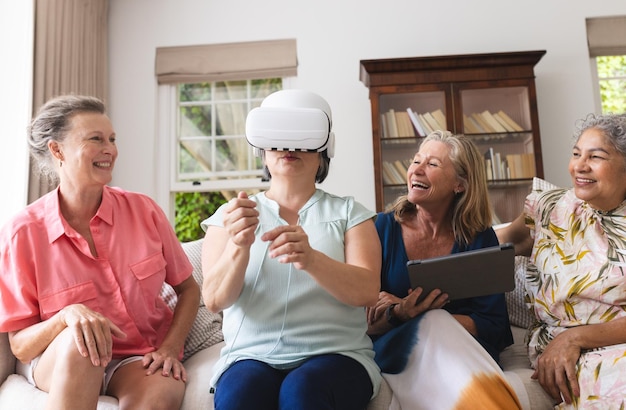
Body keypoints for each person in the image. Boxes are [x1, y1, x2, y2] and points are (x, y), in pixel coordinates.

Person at [0, 95, 200, 410]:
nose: (110, 149)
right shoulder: (22, 233)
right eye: (96, 139)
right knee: (82, 340)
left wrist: (169, 348)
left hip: (135, 356)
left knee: (161, 393)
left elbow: (188, 289)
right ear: (57, 150)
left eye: (112, 139)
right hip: (60, 358)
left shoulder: (144, 211)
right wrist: (65, 318)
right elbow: (21, 346)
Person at [201, 89, 383, 410]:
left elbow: (367, 292)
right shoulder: (231, 216)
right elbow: (214, 300)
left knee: (302, 391)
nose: (288, 147)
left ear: (324, 147)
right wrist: (240, 246)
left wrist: (311, 259)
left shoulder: (350, 214)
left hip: (337, 354)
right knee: (240, 396)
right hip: (250, 356)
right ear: (262, 148)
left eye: (301, 137)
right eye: (278, 137)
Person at [367, 130, 521, 409]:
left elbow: (494, 326)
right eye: (416, 161)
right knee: (434, 322)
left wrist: (426, 314)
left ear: (459, 184)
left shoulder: (479, 237)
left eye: (432, 164)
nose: (417, 170)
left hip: (461, 350)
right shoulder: (381, 229)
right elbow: (365, 321)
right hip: (397, 348)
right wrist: (402, 313)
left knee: (435, 321)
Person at [496, 113, 626, 409]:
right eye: (577, 154)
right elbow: (502, 242)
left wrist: (578, 337)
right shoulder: (552, 207)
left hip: (595, 340)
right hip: (561, 346)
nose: (579, 166)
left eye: (596, 157)